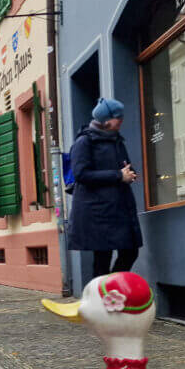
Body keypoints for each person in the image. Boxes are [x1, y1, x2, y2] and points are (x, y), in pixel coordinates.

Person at [68, 97, 143, 279]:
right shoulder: (84, 142)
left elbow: (123, 166)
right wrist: (118, 175)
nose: (122, 120)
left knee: (130, 251)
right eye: (119, 117)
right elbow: (81, 174)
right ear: (107, 120)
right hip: (97, 212)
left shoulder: (117, 140)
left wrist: (129, 173)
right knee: (102, 259)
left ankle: (109, 289)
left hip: (119, 208)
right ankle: (102, 299)